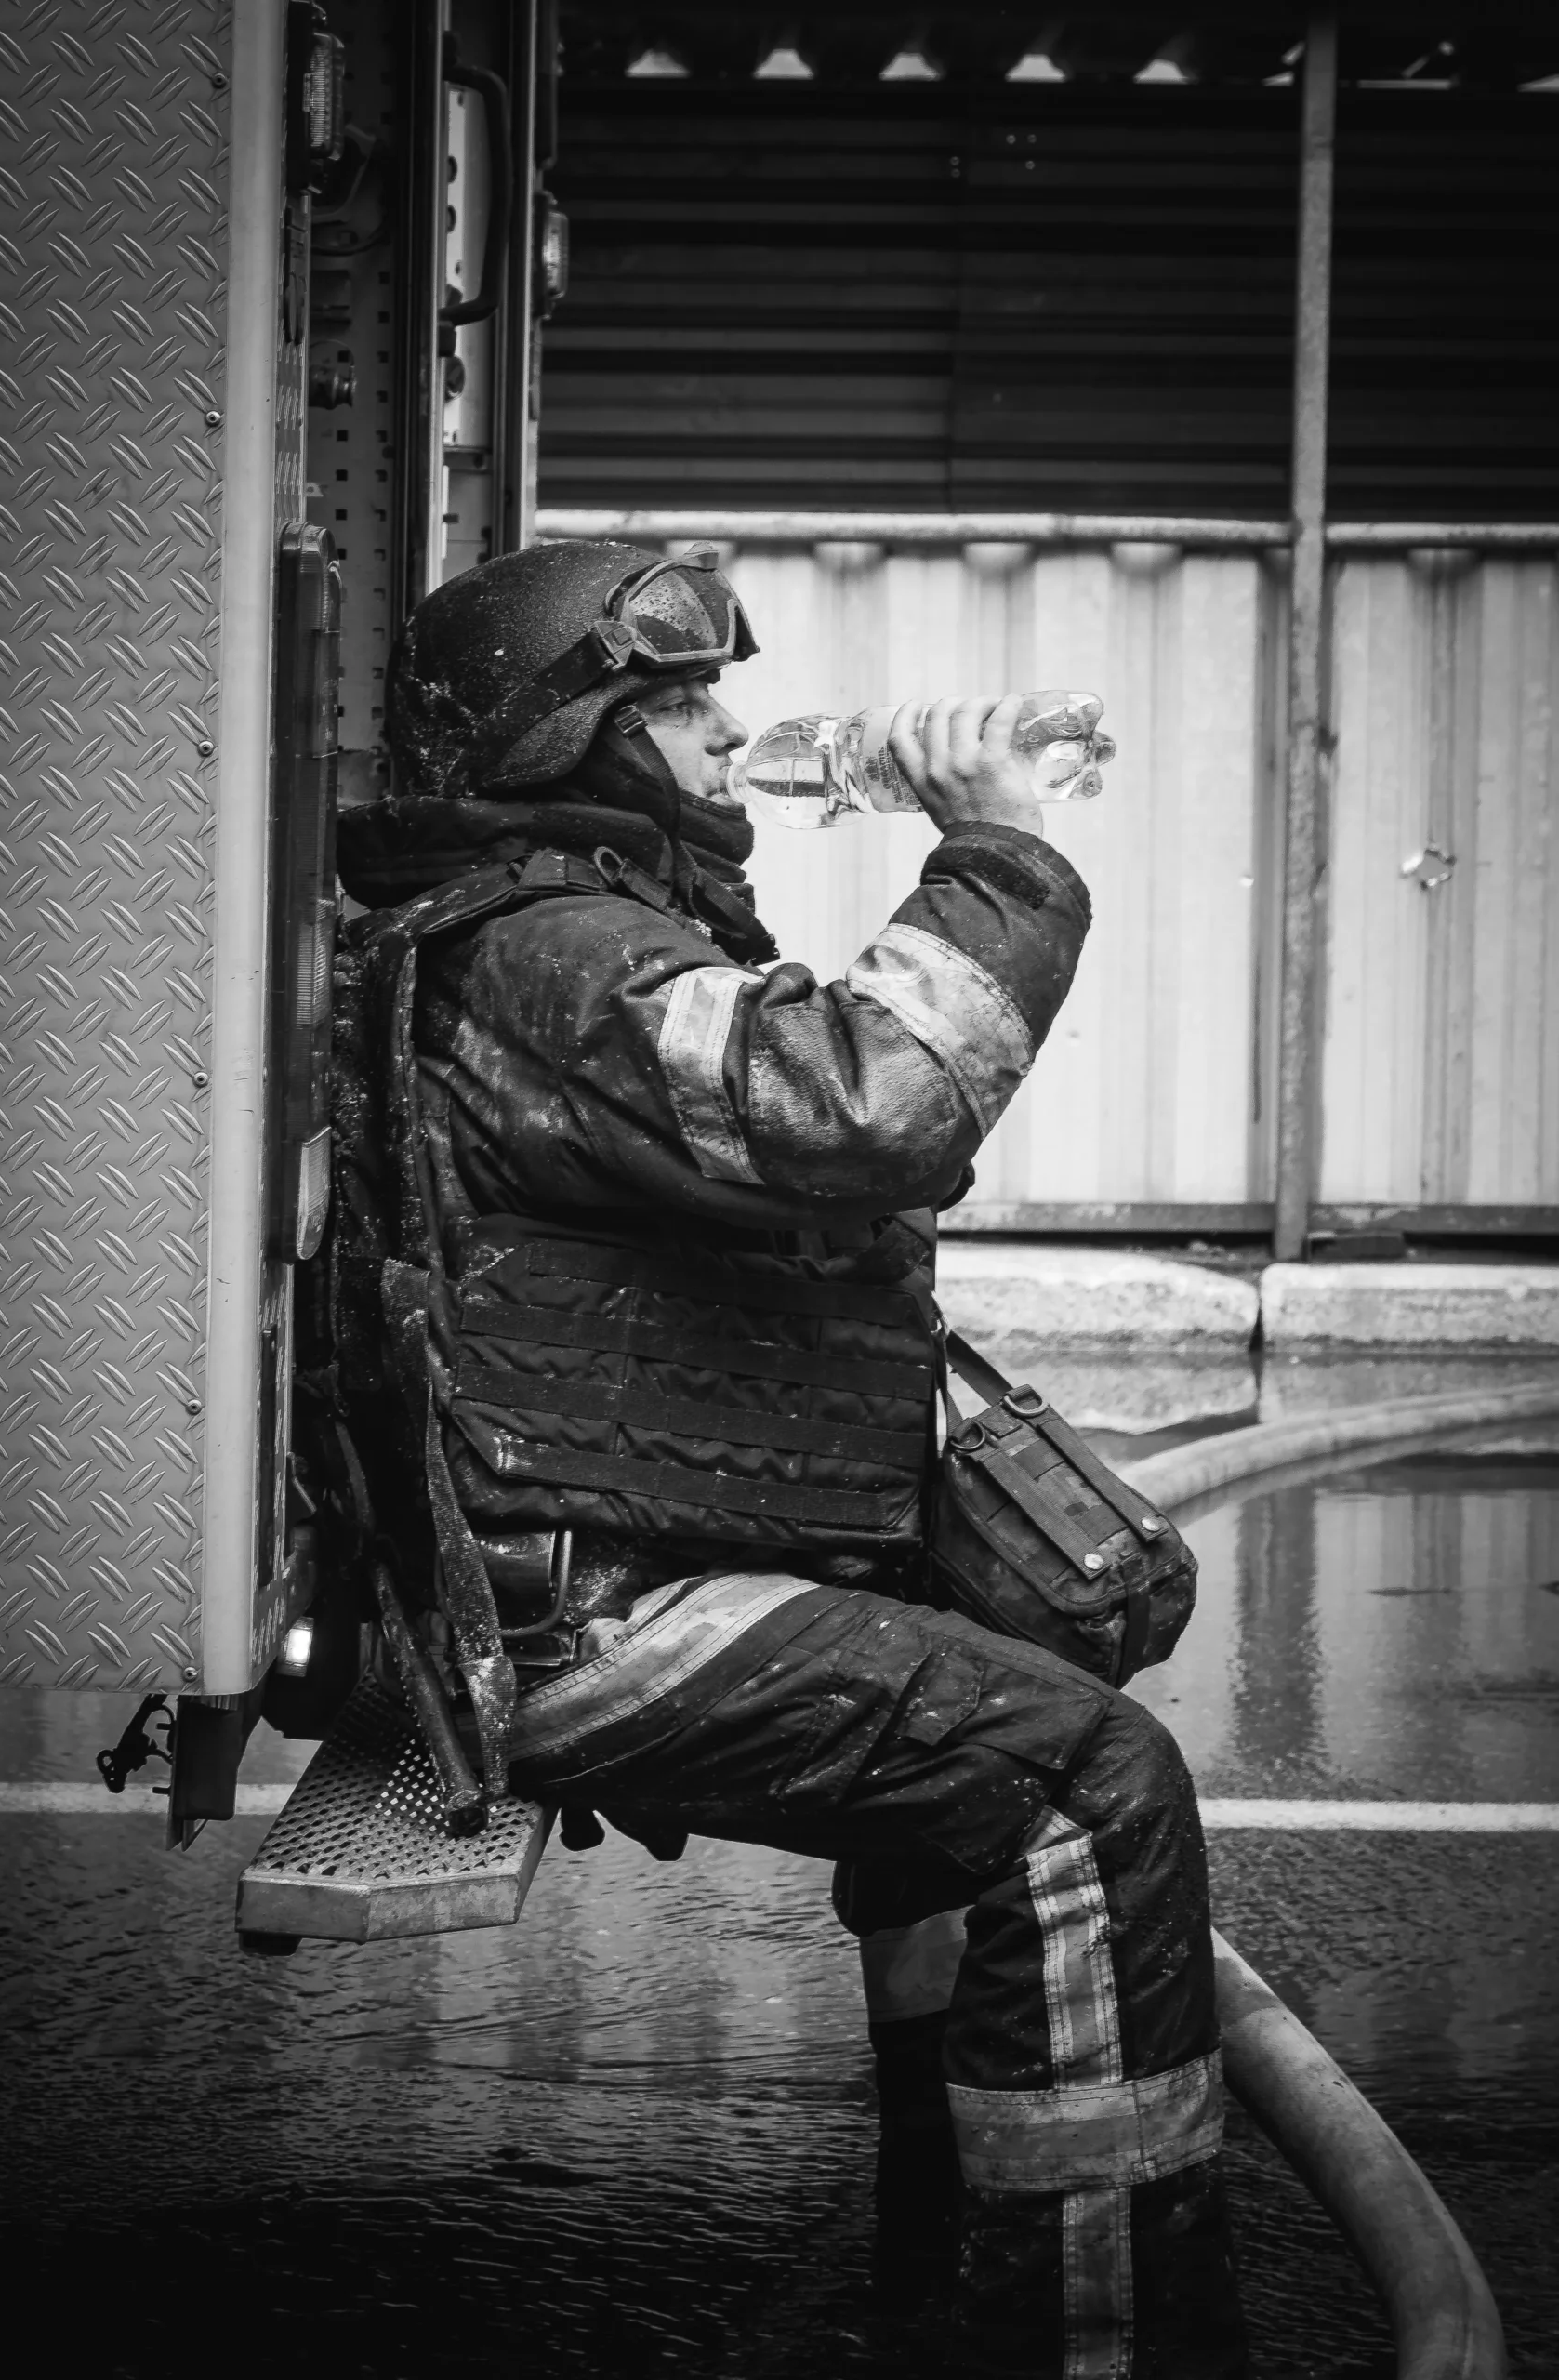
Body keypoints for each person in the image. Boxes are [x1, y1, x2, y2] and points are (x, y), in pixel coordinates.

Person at [332, 538, 1247, 2378]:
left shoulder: (572, 921)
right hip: (588, 1610)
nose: (725, 728)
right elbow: (867, 1098)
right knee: (1082, 1786)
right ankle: (1095, 2344)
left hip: (613, 1555)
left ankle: (947, 2250)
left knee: (1000, 1725)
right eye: (677, 700)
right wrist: (995, 850)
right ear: (568, 734)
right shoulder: (550, 950)